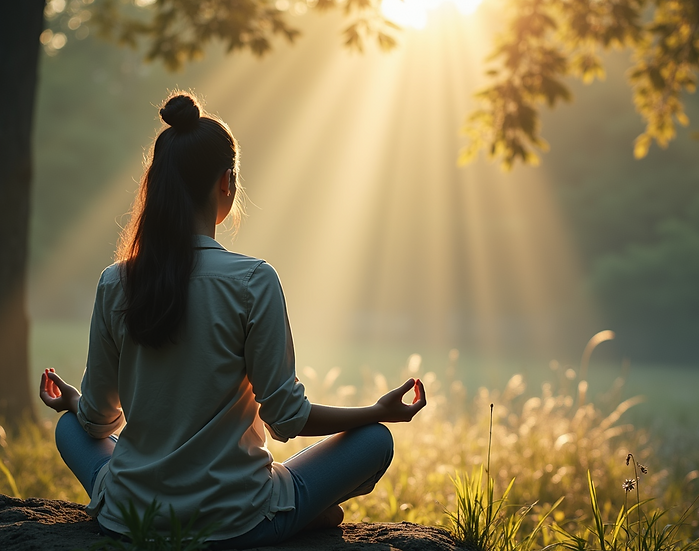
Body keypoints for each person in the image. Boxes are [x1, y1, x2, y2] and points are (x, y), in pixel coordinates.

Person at [38, 91, 427, 548]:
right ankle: (298, 514)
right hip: (237, 521)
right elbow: (286, 418)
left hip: (132, 516)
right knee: (375, 441)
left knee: (69, 428)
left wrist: (73, 403)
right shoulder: (254, 281)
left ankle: (291, 510)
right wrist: (377, 412)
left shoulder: (116, 281)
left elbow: (99, 423)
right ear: (226, 182)